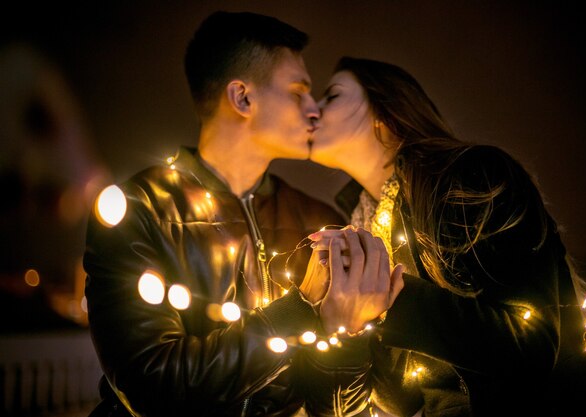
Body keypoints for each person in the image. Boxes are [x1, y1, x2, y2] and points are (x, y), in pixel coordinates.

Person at [83, 13, 398, 417]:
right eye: (298, 92)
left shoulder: (319, 221)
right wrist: (302, 311)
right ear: (242, 98)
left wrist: (347, 334)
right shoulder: (139, 208)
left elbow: (334, 409)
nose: (313, 110)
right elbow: (150, 385)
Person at [305, 57, 586, 416]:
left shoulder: (470, 177)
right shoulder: (363, 227)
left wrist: (387, 297)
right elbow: (402, 401)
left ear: (387, 111)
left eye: (331, 96)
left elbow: (530, 345)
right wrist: (351, 326)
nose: (312, 111)